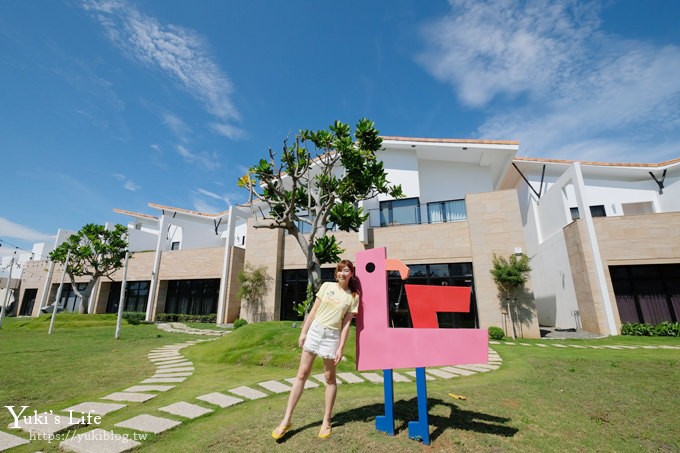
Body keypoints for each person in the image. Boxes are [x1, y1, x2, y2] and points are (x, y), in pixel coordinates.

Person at [272, 259, 360, 440]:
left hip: (332, 336)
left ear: (351, 274)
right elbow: (313, 311)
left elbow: (346, 324)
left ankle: (326, 421)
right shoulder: (327, 286)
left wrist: (340, 348)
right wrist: (303, 332)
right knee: (302, 374)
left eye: (347, 270)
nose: (343, 273)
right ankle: (286, 420)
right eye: (340, 270)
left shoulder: (353, 296)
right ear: (336, 273)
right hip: (315, 331)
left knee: (329, 378)